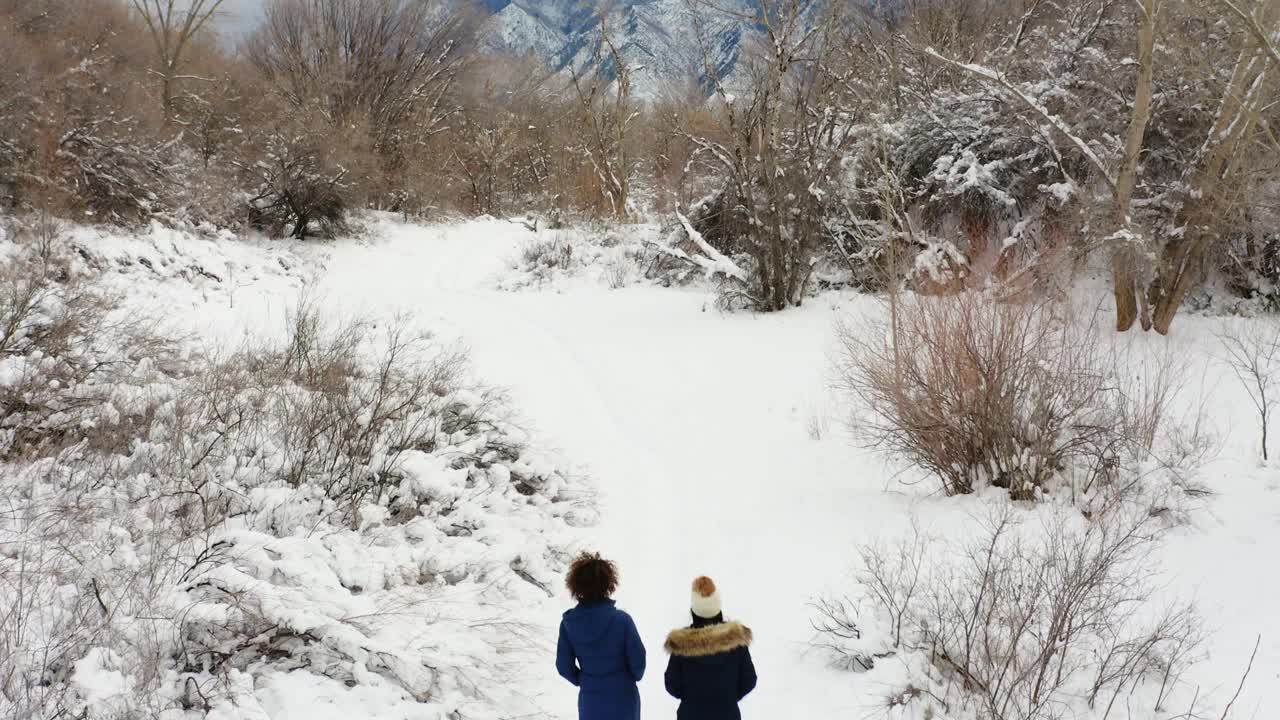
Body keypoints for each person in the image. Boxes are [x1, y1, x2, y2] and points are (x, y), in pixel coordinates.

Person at [556, 552, 646, 720]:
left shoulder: (569, 624)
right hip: (624, 697)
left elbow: (563, 666)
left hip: (591, 701)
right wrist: (628, 678)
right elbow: (638, 662)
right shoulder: (622, 620)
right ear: (608, 584)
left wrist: (585, 680)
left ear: (576, 586)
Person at [663, 576, 757, 720]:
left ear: (694, 611)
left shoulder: (681, 643)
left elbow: (672, 684)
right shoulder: (736, 639)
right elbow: (749, 679)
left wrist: (692, 700)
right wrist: (728, 698)